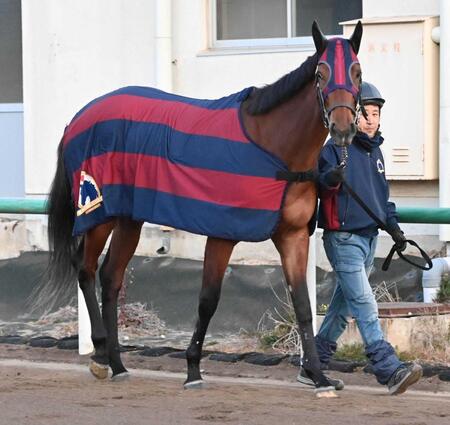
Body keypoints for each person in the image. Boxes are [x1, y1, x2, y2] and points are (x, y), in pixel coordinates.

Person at [297, 81, 423, 395]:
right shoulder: (333, 149)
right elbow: (321, 183)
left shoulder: (376, 152)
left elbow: (382, 197)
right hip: (343, 239)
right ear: (353, 115)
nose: (370, 118)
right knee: (365, 302)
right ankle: (388, 369)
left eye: (375, 112)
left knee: (342, 307)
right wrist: (330, 178)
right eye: (364, 112)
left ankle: (313, 366)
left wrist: (393, 227)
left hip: (369, 239)